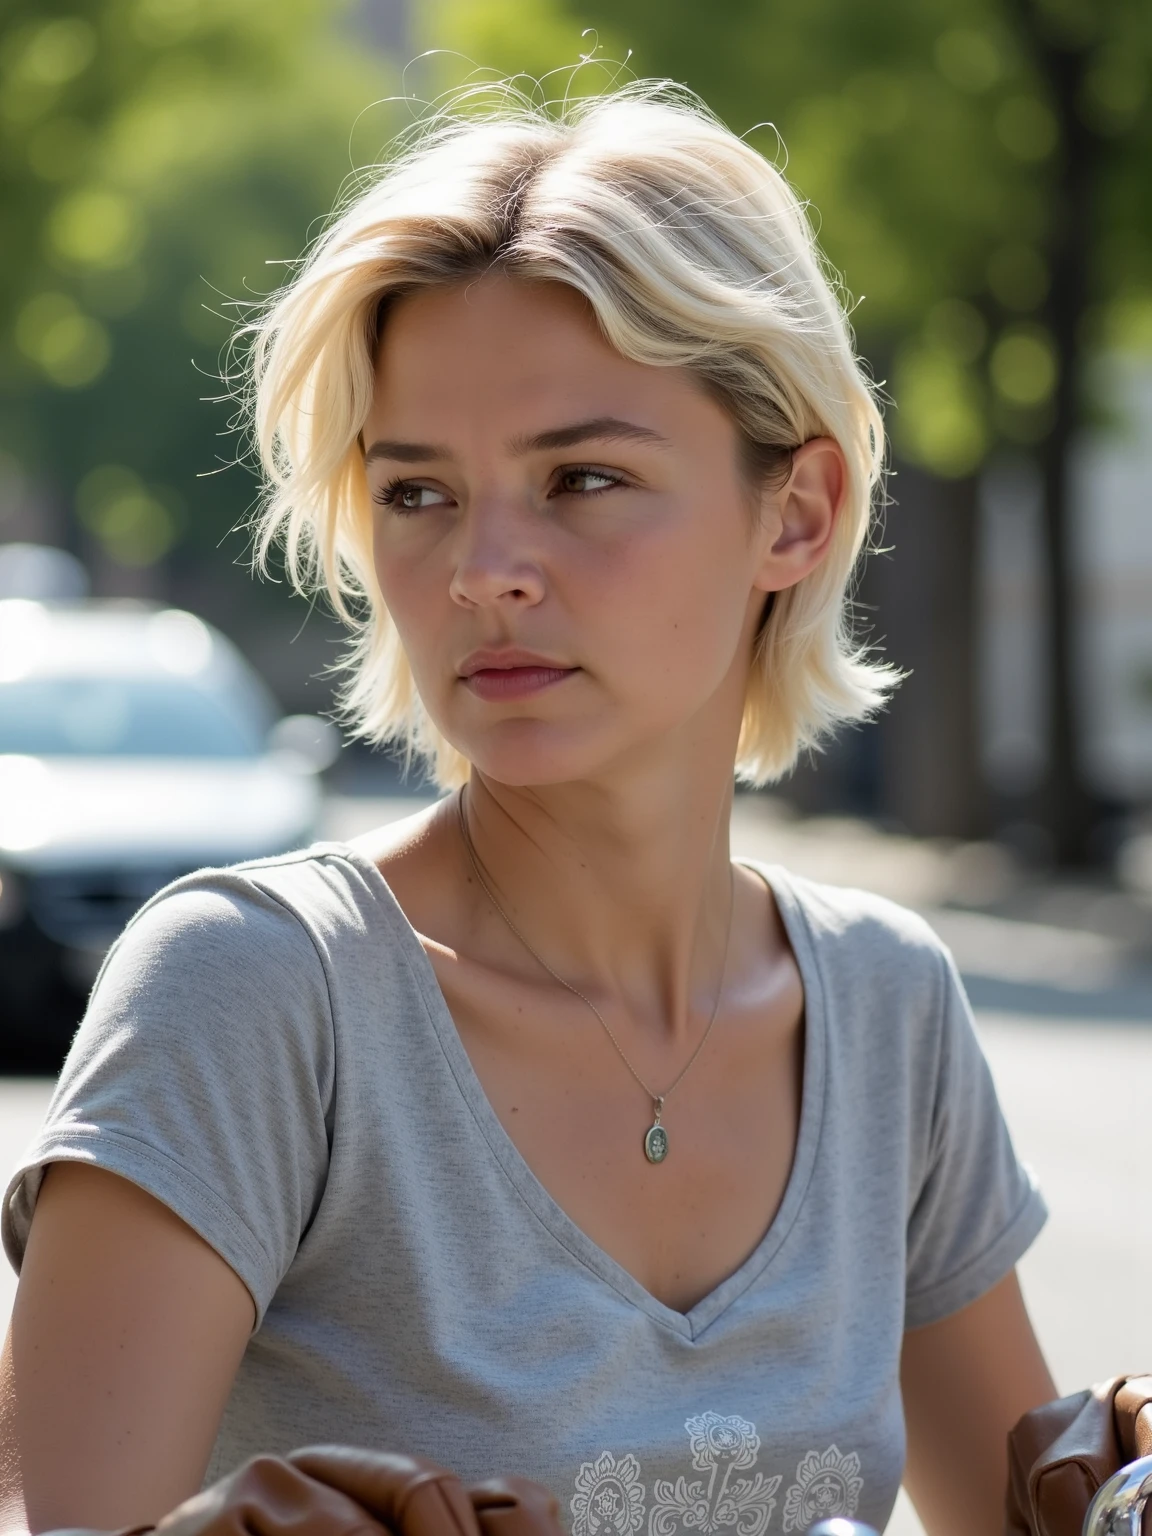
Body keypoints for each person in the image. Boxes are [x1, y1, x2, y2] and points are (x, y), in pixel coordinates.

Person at [0, 80, 1057, 1536]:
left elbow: (1034, 1504)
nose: (483, 568)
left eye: (583, 477)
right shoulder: (254, 993)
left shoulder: (887, 1010)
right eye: (420, 494)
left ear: (795, 512)